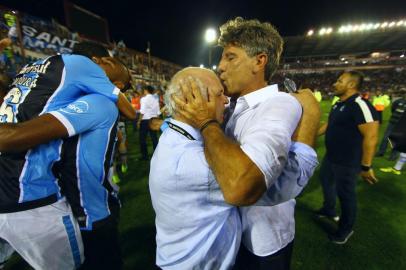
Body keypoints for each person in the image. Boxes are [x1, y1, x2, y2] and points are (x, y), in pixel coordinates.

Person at [173, 17, 320, 270]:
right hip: (232, 234)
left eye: (231, 57)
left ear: (259, 61)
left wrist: (207, 123)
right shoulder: (234, 106)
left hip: (262, 241)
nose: (220, 66)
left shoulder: (277, 105)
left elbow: (244, 186)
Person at [0, 44, 133, 269]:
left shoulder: (38, 68)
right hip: (33, 196)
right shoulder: (95, 97)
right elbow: (130, 112)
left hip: (34, 192)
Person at [317, 71, 379, 244]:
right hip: (332, 157)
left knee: (345, 195)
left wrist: (366, 166)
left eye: (339, 81)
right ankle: (329, 209)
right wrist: (310, 135)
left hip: (348, 161)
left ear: (351, 85)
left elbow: (371, 136)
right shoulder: (338, 103)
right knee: (325, 179)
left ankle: (345, 230)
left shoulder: (360, 105)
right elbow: (329, 125)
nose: (335, 84)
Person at [376, 95, 406, 159]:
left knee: (397, 139)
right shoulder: (398, 101)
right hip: (392, 122)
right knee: (385, 137)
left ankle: (393, 156)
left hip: (401, 125)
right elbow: (393, 108)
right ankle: (381, 152)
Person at [137, 85, 160, 160]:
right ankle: (157, 154)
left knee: (142, 139)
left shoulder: (144, 99)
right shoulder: (155, 99)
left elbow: (142, 111)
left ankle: (144, 156)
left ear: (146, 90)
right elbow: (158, 111)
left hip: (145, 120)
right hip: (153, 119)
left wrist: (139, 121)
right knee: (154, 138)